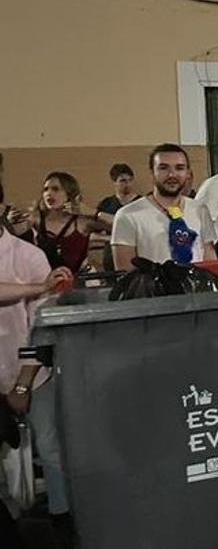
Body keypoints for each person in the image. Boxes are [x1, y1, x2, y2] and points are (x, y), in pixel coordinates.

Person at [1, 226, 74, 539]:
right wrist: (35, 286)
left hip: (30, 374)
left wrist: (23, 383)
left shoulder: (28, 255)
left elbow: (41, 328)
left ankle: (63, 518)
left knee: (50, 446)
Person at [111, 144, 216, 270]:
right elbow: (125, 273)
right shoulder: (128, 216)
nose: (172, 175)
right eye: (163, 168)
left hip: (198, 288)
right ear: (152, 172)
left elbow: (210, 260)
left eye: (179, 168)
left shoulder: (200, 210)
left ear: (188, 173)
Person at [33, 172, 114, 274]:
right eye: (45, 189)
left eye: (56, 189)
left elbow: (124, 226)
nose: (49, 193)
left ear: (69, 194)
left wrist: (93, 212)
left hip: (77, 282)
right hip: (43, 280)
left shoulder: (82, 222)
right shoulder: (36, 220)